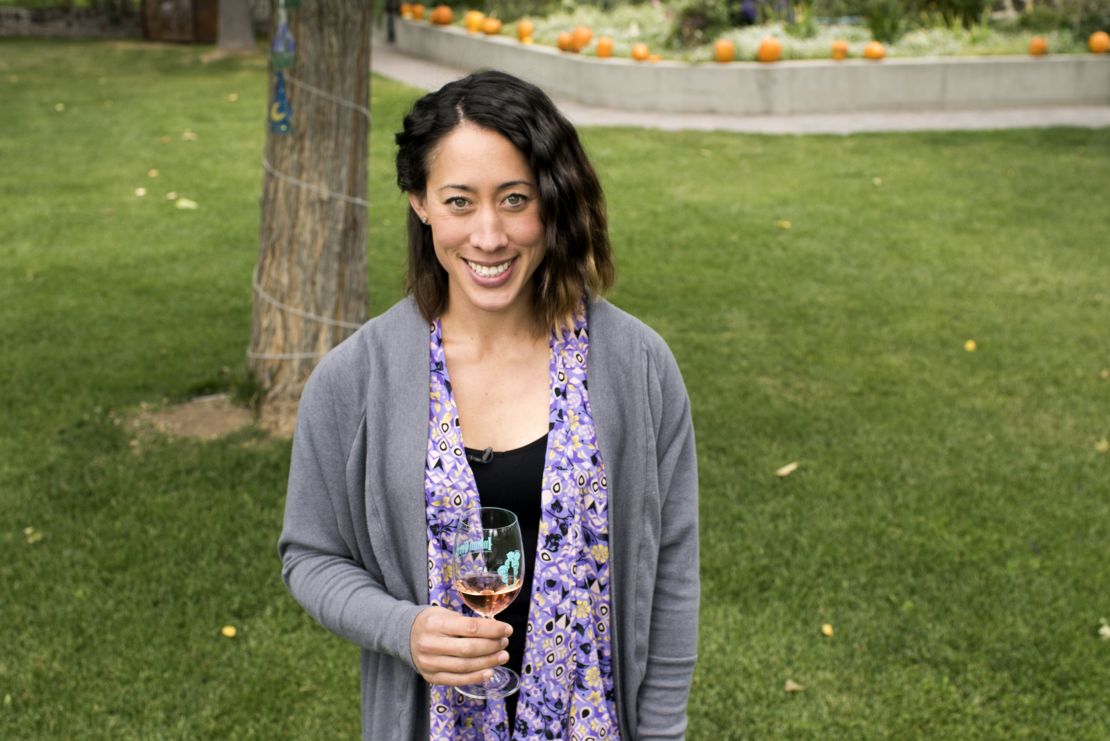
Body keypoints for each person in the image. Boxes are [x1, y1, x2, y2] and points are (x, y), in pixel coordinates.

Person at [278, 70, 699, 740]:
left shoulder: (637, 367)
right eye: (459, 201)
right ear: (420, 202)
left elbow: (669, 567)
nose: (489, 235)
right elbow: (311, 553)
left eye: (514, 199)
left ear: (553, 200)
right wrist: (404, 628)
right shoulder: (354, 378)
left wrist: (664, 730)